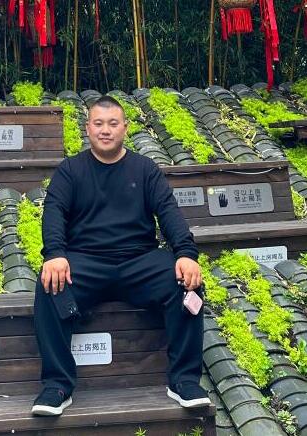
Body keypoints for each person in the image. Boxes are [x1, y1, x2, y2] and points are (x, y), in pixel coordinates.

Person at [31, 95, 210, 416]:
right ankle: (57, 385)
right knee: (50, 285)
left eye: (113, 123)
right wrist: (55, 254)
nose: (105, 130)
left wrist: (186, 253)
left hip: (139, 261)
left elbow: (168, 211)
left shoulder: (145, 169)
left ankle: (184, 380)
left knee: (187, 283)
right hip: (85, 261)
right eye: (98, 123)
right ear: (88, 128)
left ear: (125, 128)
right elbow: (54, 211)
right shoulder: (70, 170)